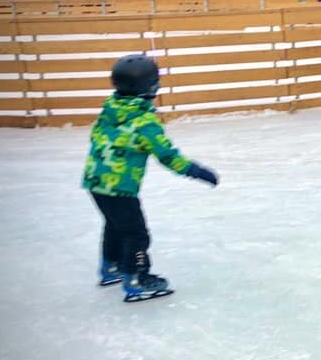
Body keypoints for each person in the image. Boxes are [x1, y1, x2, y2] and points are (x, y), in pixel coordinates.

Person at [82, 54, 219, 302]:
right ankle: (136, 279)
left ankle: (110, 267)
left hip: (94, 181)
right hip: (120, 188)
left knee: (115, 226)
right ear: (149, 87)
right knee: (137, 234)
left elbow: (96, 138)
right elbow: (166, 155)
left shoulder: (110, 109)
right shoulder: (144, 122)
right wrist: (196, 171)